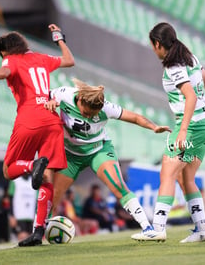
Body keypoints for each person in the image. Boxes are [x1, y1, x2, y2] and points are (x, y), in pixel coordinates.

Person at [0, 23, 75, 246]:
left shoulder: (11, 59)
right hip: (52, 120)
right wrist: (59, 38)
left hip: (29, 119)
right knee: (47, 177)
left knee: (9, 169)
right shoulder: (41, 58)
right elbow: (70, 61)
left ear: (6, 50)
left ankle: (32, 165)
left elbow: (4, 72)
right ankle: (38, 231)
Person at [44, 79, 171, 238]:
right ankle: (40, 231)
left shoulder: (106, 107)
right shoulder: (64, 94)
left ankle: (148, 229)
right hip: (71, 155)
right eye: (86, 113)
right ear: (81, 99)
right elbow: (40, 97)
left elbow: (135, 117)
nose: (89, 117)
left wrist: (154, 127)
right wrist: (48, 102)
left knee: (118, 185)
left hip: (98, 150)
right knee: (53, 194)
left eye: (93, 115)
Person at [132, 22, 205, 243]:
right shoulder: (190, 57)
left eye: (152, 45)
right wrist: (199, 108)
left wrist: (184, 129)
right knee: (184, 176)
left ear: (158, 44)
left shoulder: (173, 66)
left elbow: (190, 95)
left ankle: (157, 227)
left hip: (191, 127)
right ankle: (203, 229)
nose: (153, 49)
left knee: (167, 174)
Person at [8, 175, 37, 241]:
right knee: (22, 237)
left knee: (30, 238)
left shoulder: (34, 181)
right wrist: (11, 215)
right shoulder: (15, 180)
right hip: (19, 216)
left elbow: (36, 200)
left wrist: (36, 216)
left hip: (31, 217)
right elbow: (10, 199)